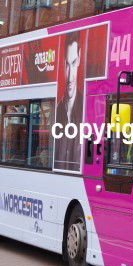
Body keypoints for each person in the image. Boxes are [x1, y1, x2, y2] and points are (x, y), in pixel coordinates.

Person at [54, 32, 83, 170]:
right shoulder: (56, 111)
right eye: (66, 64)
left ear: (79, 59)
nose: (70, 76)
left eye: (73, 63)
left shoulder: (86, 109)